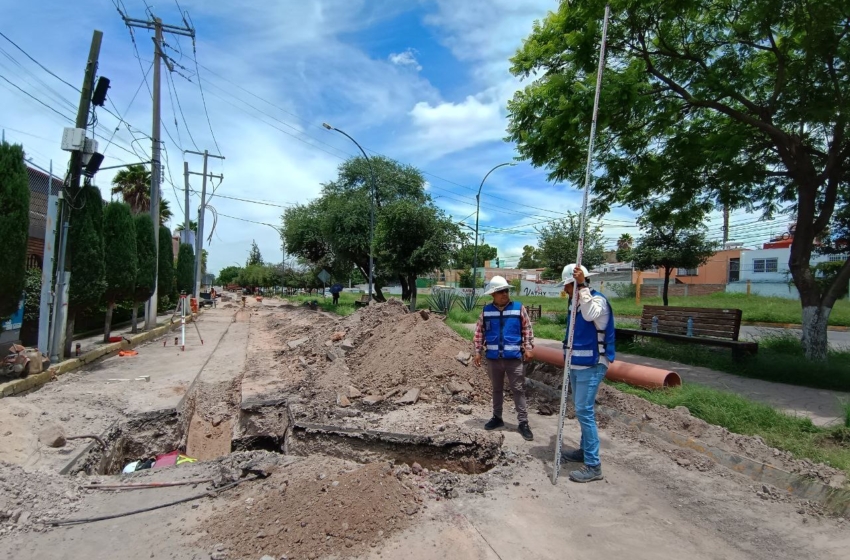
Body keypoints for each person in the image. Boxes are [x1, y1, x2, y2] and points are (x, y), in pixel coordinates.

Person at [559, 263, 616, 483]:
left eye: (567, 286)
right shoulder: (575, 304)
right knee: (581, 409)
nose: (565, 291)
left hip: (592, 365)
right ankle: (584, 451)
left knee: (584, 411)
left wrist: (581, 285)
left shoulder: (597, 301)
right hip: (576, 364)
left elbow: (591, 314)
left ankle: (593, 465)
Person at [472, 276, 535, 441]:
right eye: (500, 292)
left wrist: (528, 347)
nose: (504, 294)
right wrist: (478, 351)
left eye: (506, 291)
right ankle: (497, 417)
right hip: (493, 359)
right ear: (493, 294)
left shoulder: (518, 308)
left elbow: (527, 328)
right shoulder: (486, 311)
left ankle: (523, 423)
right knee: (497, 389)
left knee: (518, 389)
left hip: (513, 358)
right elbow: (479, 333)